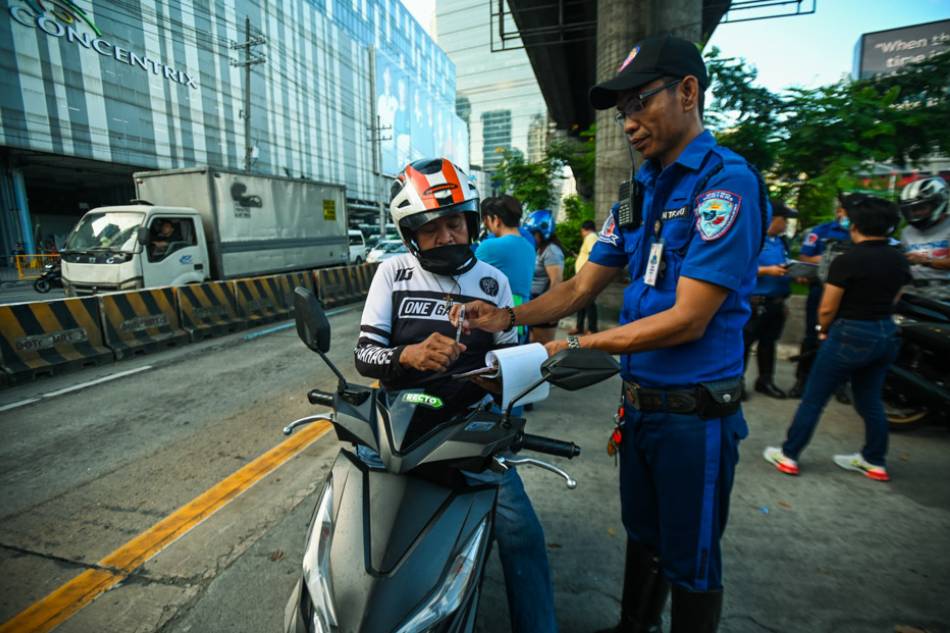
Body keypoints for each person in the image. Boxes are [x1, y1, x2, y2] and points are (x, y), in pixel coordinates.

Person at [452, 34, 765, 632]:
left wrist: (576, 344)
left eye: (641, 102)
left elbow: (689, 317)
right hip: (641, 409)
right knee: (642, 536)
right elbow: (578, 288)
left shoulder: (723, 185)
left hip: (694, 416)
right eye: (622, 111)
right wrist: (509, 317)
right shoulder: (637, 194)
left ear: (688, 92)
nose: (628, 122)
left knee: (691, 561)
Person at [354, 158, 558, 633]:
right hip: (397, 428)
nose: (446, 237)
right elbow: (365, 355)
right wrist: (408, 356)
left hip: (470, 435)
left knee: (522, 536)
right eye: (432, 228)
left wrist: (502, 381)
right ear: (411, 234)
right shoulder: (391, 274)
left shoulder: (493, 282)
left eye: (454, 224)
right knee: (348, 519)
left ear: (470, 223)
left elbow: (518, 364)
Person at [763, 195, 911, 482]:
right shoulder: (898, 258)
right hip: (885, 332)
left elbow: (828, 307)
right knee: (870, 400)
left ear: (855, 225)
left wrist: (823, 328)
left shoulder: (848, 260)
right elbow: (897, 296)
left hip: (849, 333)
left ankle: (789, 455)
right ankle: (874, 460)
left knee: (814, 398)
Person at [789, 198, 853, 399]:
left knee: (844, 338)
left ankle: (840, 385)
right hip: (820, 290)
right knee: (812, 335)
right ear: (839, 211)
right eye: (844, 211)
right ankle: (802, 380)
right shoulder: (821, 231)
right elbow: (805, 257)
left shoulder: (859, 232)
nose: (846, 216)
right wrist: (832, 258)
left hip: (849, 294)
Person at [743, 201, 797, 399]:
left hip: (776, 301)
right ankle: (736, 383)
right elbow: (740, 268)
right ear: (773, 219)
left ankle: (765, 381)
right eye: (784, 220)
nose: (786, 224)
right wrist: (767, 271)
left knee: (769, 343)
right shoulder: (753, 240)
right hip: (755, 302)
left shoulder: (782, 242)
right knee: (744, 344)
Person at [476, 195, 537, 319]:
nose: (486, 225)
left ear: (496, 220)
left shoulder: (489, 246)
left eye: (487, 220)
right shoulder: (529, 247)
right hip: (522, 316)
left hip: (498, 316)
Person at [899, 176, 950, 284]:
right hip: (913, 289)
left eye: (921, 208)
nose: (916, 213)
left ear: (938, 203)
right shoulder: (907, 231)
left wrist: (925, 260)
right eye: (912, 209)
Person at [525, 209, 565, 344]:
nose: (531, 237)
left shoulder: (551, 250)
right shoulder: (539, 249)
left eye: (533, 233)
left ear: (543, 232)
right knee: (533, 345)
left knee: (544, 348)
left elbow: (557, 282)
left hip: (545, 304)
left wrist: (553, 309)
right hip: (535, 303)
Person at [569, 220, 600, 335]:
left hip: (587, 276)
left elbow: (593, 255)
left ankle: (592, 329)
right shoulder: (591, 238)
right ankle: (579, 326)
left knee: (589, 302)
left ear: (584, 229)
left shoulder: (591, 237)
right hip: (583, 275)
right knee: (581, 302)